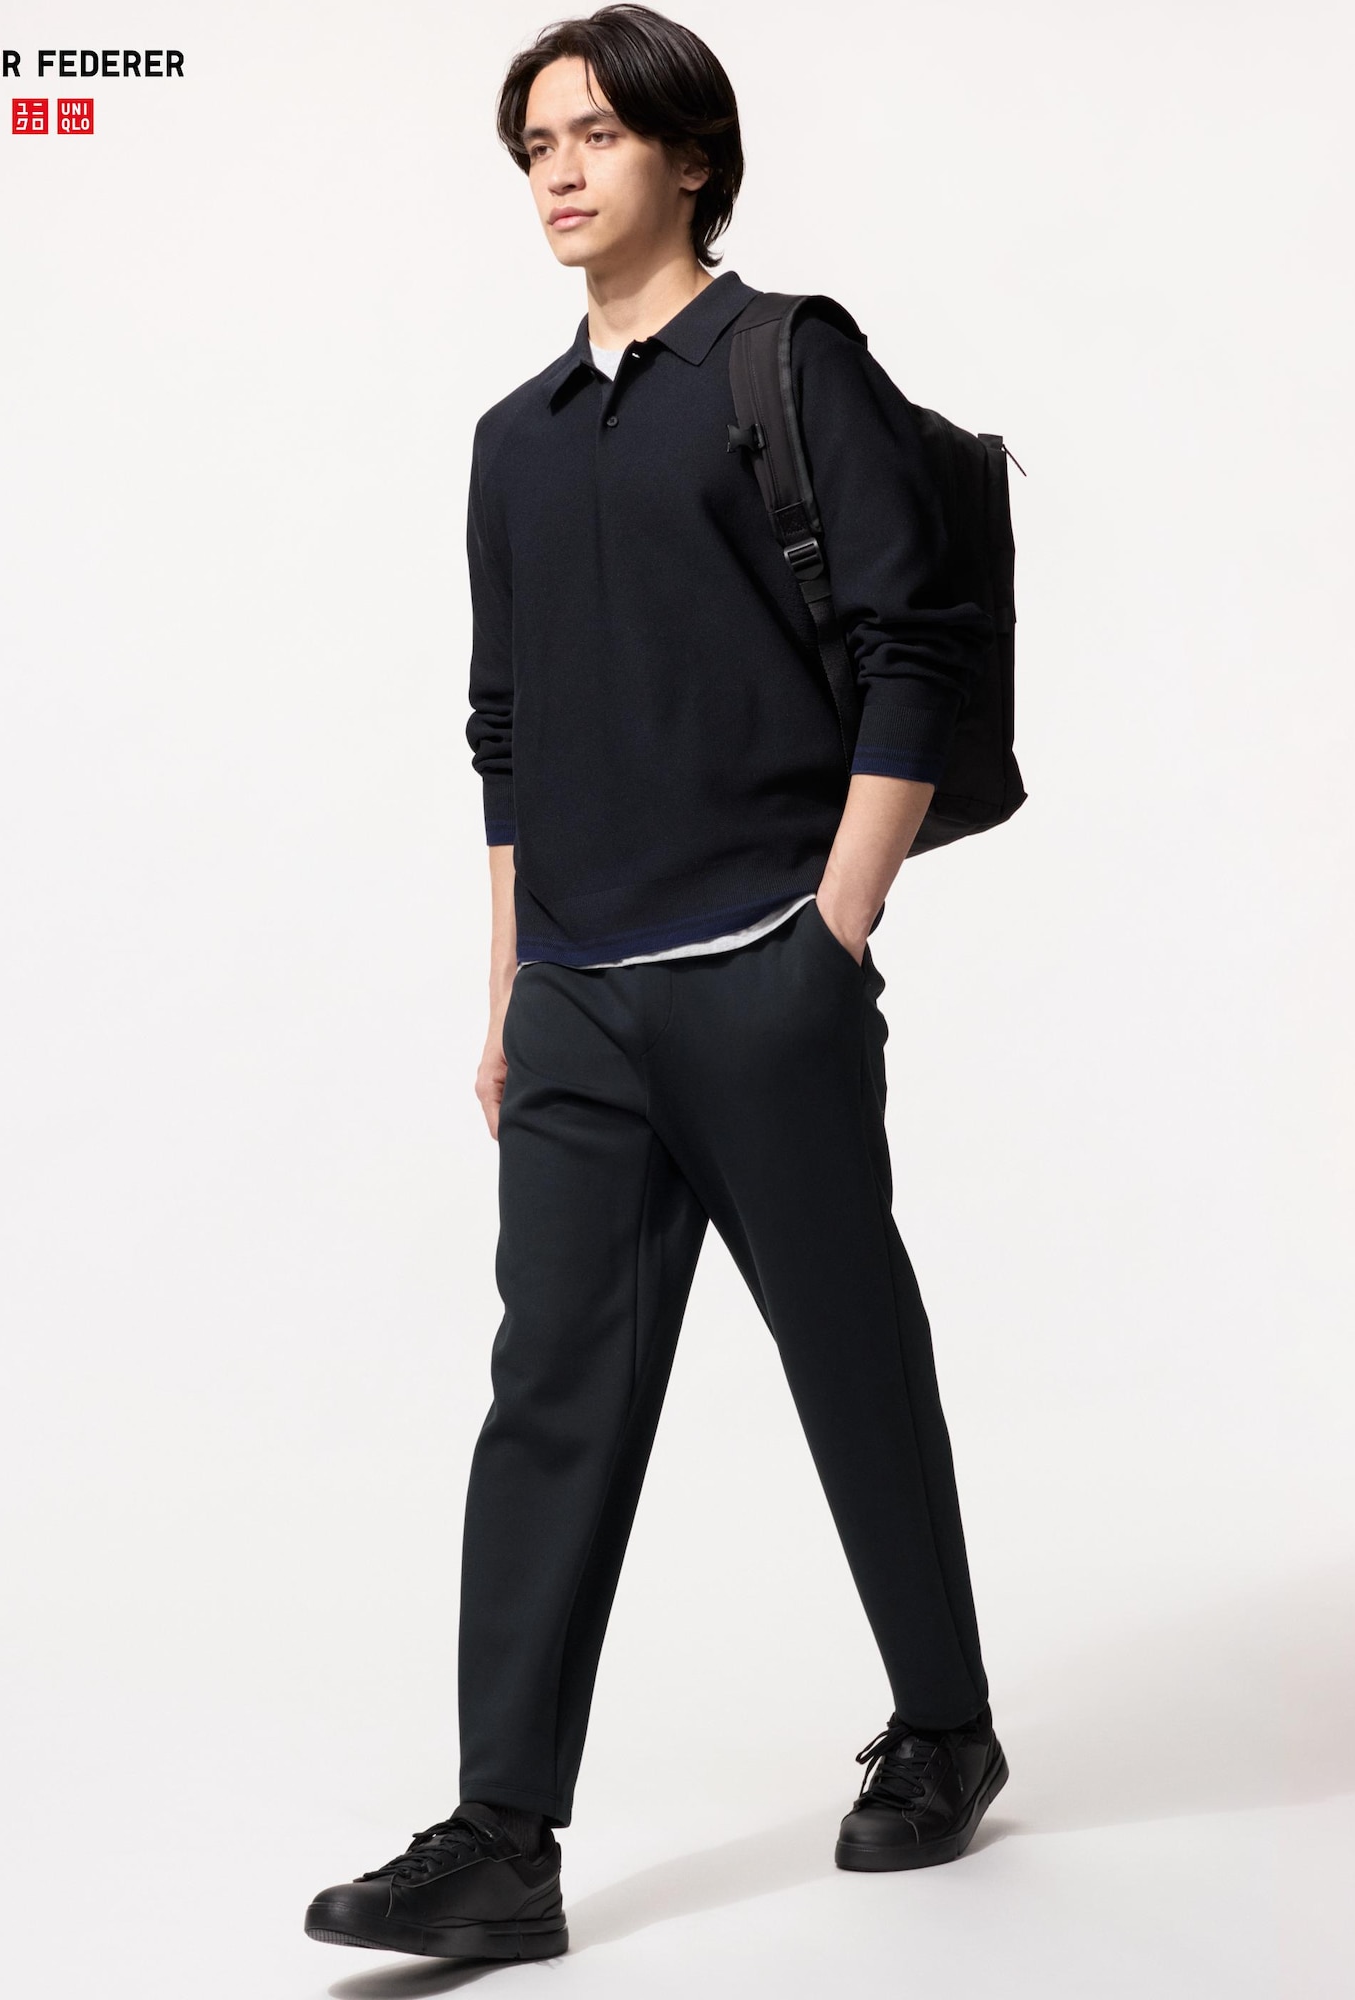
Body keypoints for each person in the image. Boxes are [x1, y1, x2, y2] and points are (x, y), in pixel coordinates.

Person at [306, 4, 1007, 1962]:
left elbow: (917, 645)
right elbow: (505, 731)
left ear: (689, 156)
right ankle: (501, 1838)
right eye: (535, 141)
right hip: (581, 1005)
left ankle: (946, 1728)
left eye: (595, 133)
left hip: (765, 971)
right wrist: (508, 988)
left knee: (849, 1359)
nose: (557, 168)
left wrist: (832, 931)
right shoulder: (512, 442)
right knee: (549, 1397)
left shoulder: (787, 359)